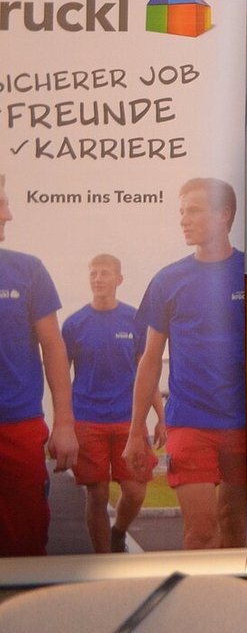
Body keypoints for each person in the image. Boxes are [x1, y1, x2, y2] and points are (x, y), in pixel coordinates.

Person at [124, 177, 247, 552]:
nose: (183, 219)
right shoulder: (167, 280)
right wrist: (135, 432)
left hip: (243, 423)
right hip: (190, 422)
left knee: (234, 523)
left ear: (224, 215)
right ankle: (200, 592)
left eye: (193, 210)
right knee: (201, 531)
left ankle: (230, 591)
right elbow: (150, 361)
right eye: (181, 211)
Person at [62, 253, 164, 553]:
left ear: (119, 279)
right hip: (87, 419)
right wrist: (62, 424)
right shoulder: (74, 324)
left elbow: (148, 374)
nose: (98, 279)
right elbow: (60, 378)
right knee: (97, 494)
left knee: (135, 491)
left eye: (104, 273)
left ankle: (118, 531)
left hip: (128, 422)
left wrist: (161, 417)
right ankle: (104, 559)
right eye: (93, 273)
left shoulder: (135, 321)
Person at [0, 173, 77, 557]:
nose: (8, 215)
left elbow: (53, 346)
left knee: (25, 546)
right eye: (2, 205)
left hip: (18, 428)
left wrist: (64, 423)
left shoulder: (28, 270)